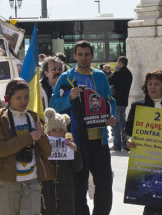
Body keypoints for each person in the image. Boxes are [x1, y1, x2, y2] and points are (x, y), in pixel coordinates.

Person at [50, 40, 116, 215]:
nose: (83, 58)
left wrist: (113, 116)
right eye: (80, 54)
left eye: (87, 54)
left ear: (92, 56)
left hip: (100, 140)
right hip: (78, 142)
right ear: (75, 56)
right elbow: (53, 104)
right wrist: (69, 99)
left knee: (105, 183)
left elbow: (110, 101)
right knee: (78, 186)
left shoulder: (101, 76)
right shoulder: (66, 77)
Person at [122, 70, 162, 215]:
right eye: (150, 84)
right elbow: (126, 131)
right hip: (146, 161)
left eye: (157, 84)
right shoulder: (138, 105)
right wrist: (127, 140)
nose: (152, 87)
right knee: (149, 202)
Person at [0, 78, 53, 215]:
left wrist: (41, 136)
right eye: (18, 98)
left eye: (26, 97)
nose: (24, 101)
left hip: (32, 181)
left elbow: (47, 152)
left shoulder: (34, 117)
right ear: (8, 99)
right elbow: (0, 149)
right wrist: (29, 136)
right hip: (7, 183)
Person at [41, 108, 82, 215]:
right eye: (54, 131)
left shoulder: (69, 144)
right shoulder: (42, 145)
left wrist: (76, 151)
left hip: (66, 192)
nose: (58, 134)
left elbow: (78, 167)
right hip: (47, 192)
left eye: (61, 131)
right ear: (48, 132)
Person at [108, 56, 133, 152]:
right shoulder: (129, 74)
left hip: (117, 101)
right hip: (124, 101)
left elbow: (109, 80)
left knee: (115, 124)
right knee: (123, 124)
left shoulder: (118, 74)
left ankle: (117, 145)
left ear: (120, 63)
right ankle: (125, 144)